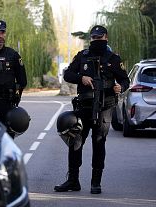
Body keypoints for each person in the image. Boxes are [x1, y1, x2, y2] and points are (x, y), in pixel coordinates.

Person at [54, 25, 130, 194]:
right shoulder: (82, 56)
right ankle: (73, 181)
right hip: (84, 107)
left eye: (100, 37)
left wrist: (120, 87)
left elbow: (125, 80)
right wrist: (82, 78)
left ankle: (96, 183)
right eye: (94, 38)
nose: (97, 40)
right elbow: (68, 75)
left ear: (106, 38)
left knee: (99, 143)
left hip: (105, 108)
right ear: (91, 39)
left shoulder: (113, 59)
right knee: (75, 143)